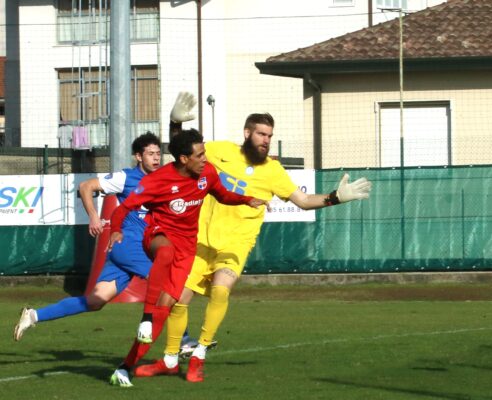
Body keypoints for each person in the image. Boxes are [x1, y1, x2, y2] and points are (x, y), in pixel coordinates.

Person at [133, 92, 372, 383]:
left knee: (221, 290)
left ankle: (199, 355)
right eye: (261, 133)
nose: (266, 140)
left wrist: (336, 197)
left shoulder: (273, 171)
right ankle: (170, 359)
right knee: (179, 298)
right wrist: (175, 124)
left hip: (235, 244)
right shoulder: (220, 151)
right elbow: (183, 155)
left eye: (269, 135)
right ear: (247, 133)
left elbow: (303, 200)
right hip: (200, 241)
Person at [108, 128, 268, 387]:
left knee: (167, 307)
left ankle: (125, 367)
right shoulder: (157, 181)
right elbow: (124, 207)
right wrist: (116, 230)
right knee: (165, 253)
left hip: (186, 250)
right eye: (200, 154)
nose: (205, 158)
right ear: (184, 159)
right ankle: (146, 317)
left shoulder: (207, 174)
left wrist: (246, 200)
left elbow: (223, 194)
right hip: (158, 236)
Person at [13, 132, 162, 341]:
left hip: (131, 247)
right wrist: (93, 216)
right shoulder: (126, 177)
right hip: (128, 244)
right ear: (138, 156)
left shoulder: (162, 179)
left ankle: (34, 315)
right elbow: (86, 186)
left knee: (95, 301)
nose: (156, 158)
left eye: (158, 154)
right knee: (165, 285)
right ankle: (184, 341)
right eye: (150, 154)